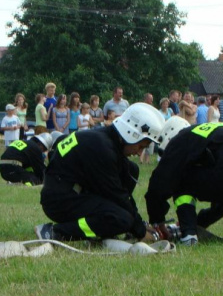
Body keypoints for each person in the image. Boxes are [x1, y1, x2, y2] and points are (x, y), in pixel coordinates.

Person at [35, 103, 165, 242]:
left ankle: (104, 227)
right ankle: (57, 232)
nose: (139, 152)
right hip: (59, 201)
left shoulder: (103, 139)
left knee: (131, 169)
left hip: (70, 191)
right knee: (122, 220)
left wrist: (138, 224)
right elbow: (118, 196)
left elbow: (122, 195)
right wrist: (139, 230)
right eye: (140, 146)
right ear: (131, 134)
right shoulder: (102, 148)